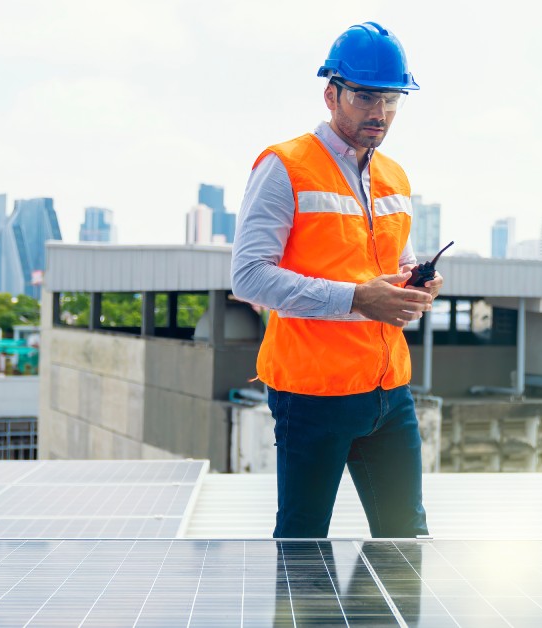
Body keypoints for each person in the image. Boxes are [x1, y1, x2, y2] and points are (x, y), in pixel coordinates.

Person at [231, 22, 441, 539]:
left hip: (389, 392)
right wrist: (357, 300)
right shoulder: (285, 167)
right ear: (331, 95)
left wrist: (414, 286)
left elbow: (394, 262)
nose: (380, 113)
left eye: (392, 100)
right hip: (312, 393)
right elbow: (249, 277)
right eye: (366, 97)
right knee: (303, 546)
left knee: (407, 540)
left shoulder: (394, 176)